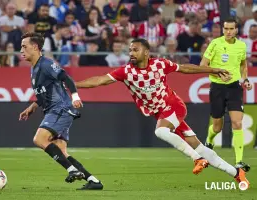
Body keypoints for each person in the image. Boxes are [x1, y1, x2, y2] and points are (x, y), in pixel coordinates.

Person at [75, 38, 249, 188]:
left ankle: (197, 159)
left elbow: (186, 69)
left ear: (147, 52)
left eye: (136, 49)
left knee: (160, 131)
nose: (131, 53)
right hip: (160, 114)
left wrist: (213, 69)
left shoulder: (160, 64)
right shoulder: (126, 72)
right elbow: (99, 81)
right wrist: (73, 84)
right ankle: (236, 173)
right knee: (200, 147)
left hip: (174, 106)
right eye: (130, 50)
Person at [19, 32, 103, 190]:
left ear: (35, 47)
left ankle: (72, 170)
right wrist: (33, 106)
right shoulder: (34, 69)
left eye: (24, 46)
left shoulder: (46, 64)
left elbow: (66, 78)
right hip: (55, 110)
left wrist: (75, 97)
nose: (21, 50)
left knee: (39, 139)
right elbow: (45, 94)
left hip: (61, 109)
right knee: (62, 151)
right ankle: (94, 181)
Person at [201, 18, 252, 172]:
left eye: (231, 29)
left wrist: (245, 79)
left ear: (236, 30)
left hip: (234, 87)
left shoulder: (242, 45)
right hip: (217, 88)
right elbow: (203, 65)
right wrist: (218, 74)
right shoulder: (215, 43)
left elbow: (243, 64)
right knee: (217, 127)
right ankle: (209, 141)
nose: (228, 32)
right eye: (226, 29)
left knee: (237, 122)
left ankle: (239, 161)